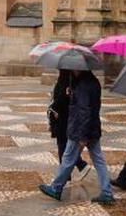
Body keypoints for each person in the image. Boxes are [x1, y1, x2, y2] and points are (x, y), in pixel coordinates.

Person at [38, 69, 114, 204]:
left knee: (67, 158)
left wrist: (82, 136)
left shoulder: (83, 86)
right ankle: (107, 192)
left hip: (79, 129)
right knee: (98, 160)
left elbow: (84, 111)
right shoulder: (92, 82)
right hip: (93, 127)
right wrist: (72, 93)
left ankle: (55, 189)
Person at [48, 70, 88, 179]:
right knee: (66, 145)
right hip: (68, 118)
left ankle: (65, 175)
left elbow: (60, 100)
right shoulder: (72, 82)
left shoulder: (64, 82)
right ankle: (80, 165)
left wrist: (52, 107)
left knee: (62, 145)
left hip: (62, 119)